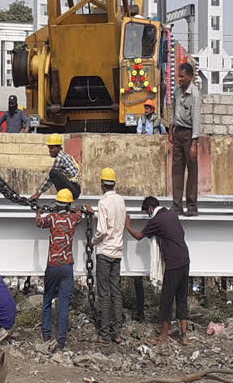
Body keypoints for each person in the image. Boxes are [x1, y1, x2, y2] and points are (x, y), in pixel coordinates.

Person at [124, 196, 191, 346]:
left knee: (166, 300)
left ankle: (163, 336)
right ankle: (184, 336)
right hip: (185, 260)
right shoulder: (171, 214)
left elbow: (140, 236)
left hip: (173, 263)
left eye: (147, 213)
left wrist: (127, 225)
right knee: (181, 298)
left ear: (150, 209)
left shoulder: (157, 220)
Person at [35, 188, 84, 351]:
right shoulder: (73, 219)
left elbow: (39, 223)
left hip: (53, 265)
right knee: (64, 303)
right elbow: (80, 213)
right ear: (68, 204)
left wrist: (38, 212)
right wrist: (78, 208)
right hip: (66, 265)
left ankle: (46, 333)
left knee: (48, 298)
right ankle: (61, 341)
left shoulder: (52, 218)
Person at [83, 168, 126, 344]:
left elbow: (101, 229)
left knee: (104, 293)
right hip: (117, 252)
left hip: (104, 252)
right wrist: (95, 213)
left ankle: (105, 334)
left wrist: (93, 242)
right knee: (116, 292)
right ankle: (117, 333)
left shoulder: (103, 202)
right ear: (114, 183)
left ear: (102, 184)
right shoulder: (121, 201)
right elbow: (114, 220)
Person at [170, 62, 201, 217]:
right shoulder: (177, 91)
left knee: (192, 170)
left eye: (182, 76)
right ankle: (176, 205)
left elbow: (196, 119)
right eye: (178, 76)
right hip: (178, 132)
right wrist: (171, 129)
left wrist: (194, 143)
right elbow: (173, 110)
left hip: (189, 135)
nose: (179, 79)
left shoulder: (194, 94)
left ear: (190, 76)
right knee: (176, 170)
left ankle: (192, 205)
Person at [30, 134, 81, 201]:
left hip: (73, 189)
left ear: (59, 148)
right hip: (76, 188)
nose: (50, 151)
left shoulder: (60, 158)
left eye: (52, 148)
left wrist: (38, 193)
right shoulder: (65, 155)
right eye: (49, 148)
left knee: (53, 173)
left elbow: (49, 179)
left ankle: (61, 199)